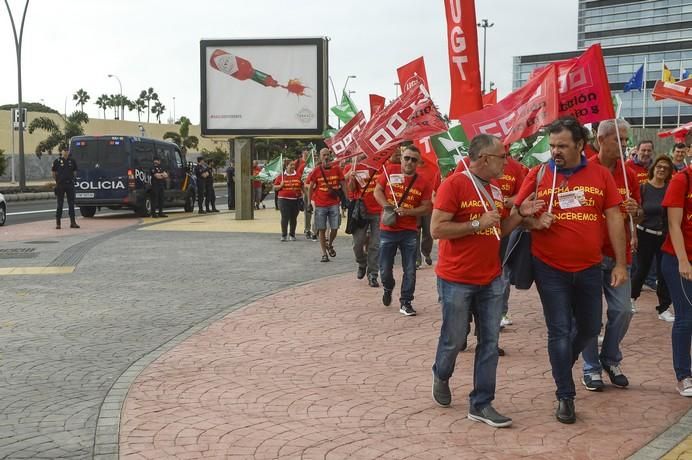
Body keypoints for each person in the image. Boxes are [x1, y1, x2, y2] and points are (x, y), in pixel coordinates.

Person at [514, 117, 627, 424]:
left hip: (591, 267)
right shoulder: (539, 174)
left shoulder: (601, 175)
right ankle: (565, 394)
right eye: (552, 146)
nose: (555, 152)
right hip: (549, 267)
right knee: (559, 330)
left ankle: (563, 362)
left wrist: (620, 262)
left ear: (580, 145)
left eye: (562, 145)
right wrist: (533, 220)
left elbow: (615, 217)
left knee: (591, 328)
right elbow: (514, 214)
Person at [431, 133, 545, 428]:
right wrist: (475, 223)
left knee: (490, 342)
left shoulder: (494, 189)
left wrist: (520, 214)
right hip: (456, 278)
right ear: (484, 159)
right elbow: (437, 229)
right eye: (502, 157)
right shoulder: (453, 185)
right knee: (455, 338)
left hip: (491, 278)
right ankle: (441, 374)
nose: (507, 162)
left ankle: (481, 403)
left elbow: (500, 230)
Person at [579, 119, 641, 393]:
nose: (624, 145)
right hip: (589, 255)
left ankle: (611, 357)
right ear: (600, 140)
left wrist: (635, 210)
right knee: (589, 315)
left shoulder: (629, 174)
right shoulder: (584, 170)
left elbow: (638, 215)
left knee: (623, 310)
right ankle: (591, 368)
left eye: (626, 140)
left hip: (619, 255)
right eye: (619, 140)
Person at [373, 145, 432, 316]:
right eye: (406, 158)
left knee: (410, 269)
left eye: (414, 159)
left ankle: (406, 302)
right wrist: (387, 206)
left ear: (418, 162)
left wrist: (409, 212)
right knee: (384, 268)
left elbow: (427, 207)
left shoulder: (423, 182)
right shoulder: (389, 171)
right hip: (388, 229)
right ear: (402, 158)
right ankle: (388, 286)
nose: (409, 162)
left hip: (409, 231)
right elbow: (377, 191)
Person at [660, 159, 692, 397]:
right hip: (679, 259)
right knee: (685, 317)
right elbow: (674, 224)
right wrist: (683, 260)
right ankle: (683, 375)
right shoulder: (682, 180)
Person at [631, 156, 675, 322]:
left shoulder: (670, 189)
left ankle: (663, 308)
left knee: (664, 272)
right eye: (659, 166)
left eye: (665, 168)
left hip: (664, 236)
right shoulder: (643, 188)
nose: (662, 170)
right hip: (644, 234)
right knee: (642, 269)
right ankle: (632, 299)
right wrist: (633, 236)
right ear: (653, 168)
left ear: (669, 172)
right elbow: (635, 215)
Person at [345, 158, 382, 287]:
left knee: (375, 245)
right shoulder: (356, 166)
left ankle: (373, 274)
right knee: (357, 243)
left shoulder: (381, 166)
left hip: (378, 211)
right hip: (361, 211)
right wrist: (351, 178)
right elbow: (351, 189)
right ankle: (361, 262)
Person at [306, 148, 345, 262]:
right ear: (320, 156)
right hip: (320, 204)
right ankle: (324, 254)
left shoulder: (337, 169)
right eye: (324, 155)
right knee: (321, 229)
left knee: (335, 227)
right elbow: (310, 187)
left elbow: (343, 183)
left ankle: (330, 244)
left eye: (327, 155)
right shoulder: (316, 170)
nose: (326, 157)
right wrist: (309, 203)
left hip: (334, 203)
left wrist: (346, 199)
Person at [274, 160, 302, 241]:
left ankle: (292, 234)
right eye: (291, 165)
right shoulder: (281, 176)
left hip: (295, 200)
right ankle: (284, 235)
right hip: (283, 200)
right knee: (285, 217)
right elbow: (275, 187)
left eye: (293, 165)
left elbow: (302, 186)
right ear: (286, 166)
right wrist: (280, 185)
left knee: (293, 218)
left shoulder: (298, 175)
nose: (293, 166)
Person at [52, 148, 80, 229]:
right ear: (61, 152)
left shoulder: (72, 161)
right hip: (60, 185)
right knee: (60, 204)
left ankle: (73, 222)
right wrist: (58, 180)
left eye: (67, 151)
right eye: (64, 151)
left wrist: (72, 179)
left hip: (70, 185)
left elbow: (75, 172)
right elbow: (53, 173)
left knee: (71, 204)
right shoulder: (57, 161)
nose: (66, 152)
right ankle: (58, 223)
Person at [297, 149, 317, 241]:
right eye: (304, 155)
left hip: (317, 193)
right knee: (308, 212)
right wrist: (303, 191)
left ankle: (316, 230)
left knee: (318, 212)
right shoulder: (302, 167)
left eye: (307, 155)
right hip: (306, 192)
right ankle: (307, 229)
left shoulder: (316, 166)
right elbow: (299, 180)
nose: (306, 156)